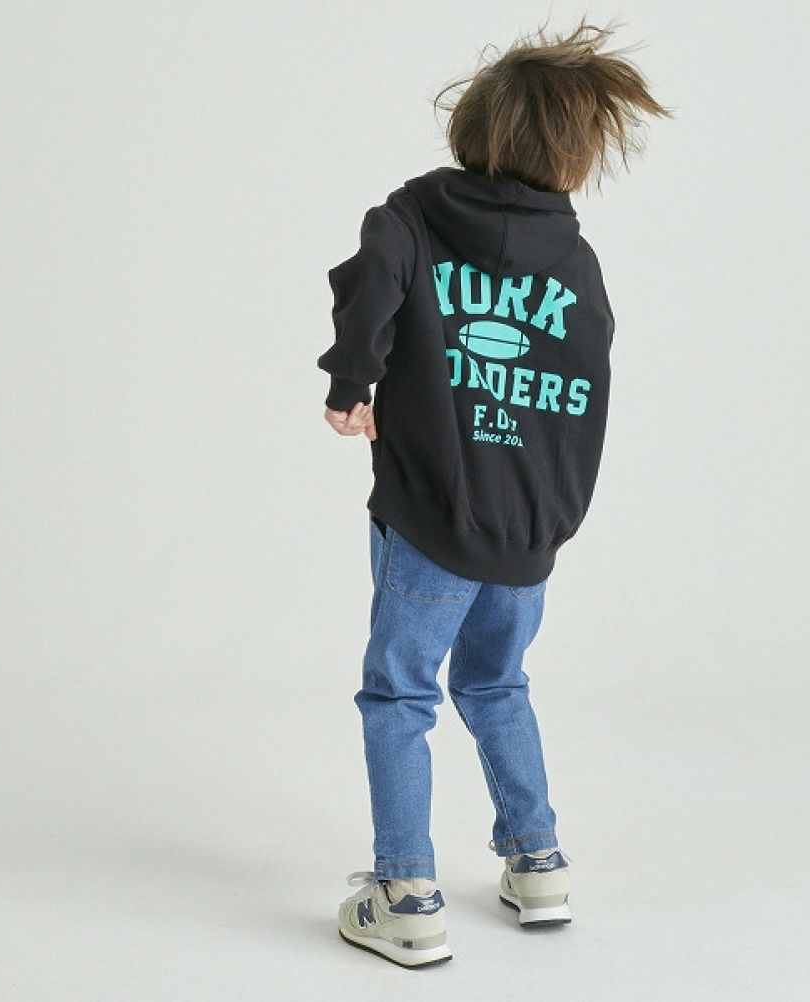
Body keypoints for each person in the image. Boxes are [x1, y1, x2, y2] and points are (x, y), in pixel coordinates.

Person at [317, 19, 671, 968]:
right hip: (527, 532)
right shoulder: (576, 263)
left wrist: (352, 385)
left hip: (431, 519)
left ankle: (406, 893)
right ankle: (538, 862)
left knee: (400, 694)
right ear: (574, 153)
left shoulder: (411, 219)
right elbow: (583, 387)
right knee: (496, 682)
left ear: (470, 130)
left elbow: (372, 286)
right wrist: (551, 514)